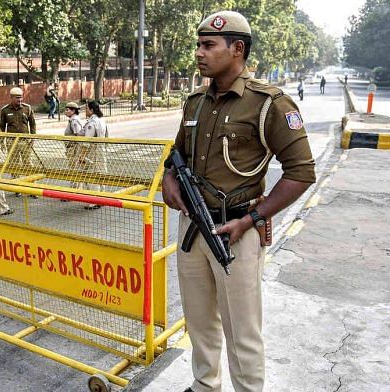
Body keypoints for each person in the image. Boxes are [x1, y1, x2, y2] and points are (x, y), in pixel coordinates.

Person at [161, 11, 315, 392]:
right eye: (199, 44)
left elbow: (301, 172)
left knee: (242, 330)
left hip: (237, 231)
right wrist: (167, 179)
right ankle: (205, 385)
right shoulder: (194, 101)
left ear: (237, 49)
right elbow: (175, 154)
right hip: (192, 230)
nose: (199, 53)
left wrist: (253, 219)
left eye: (208, 45)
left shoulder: (269, 104)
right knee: (199, 321)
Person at [0, 87, 37, 196]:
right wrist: (2, 141)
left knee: (28, 164)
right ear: (11, 98)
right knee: (14, 164)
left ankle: (32, 188)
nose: (19, 100)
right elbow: (2, 127)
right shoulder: (5, 110)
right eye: (17, 98)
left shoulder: (27, 108)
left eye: (21, 97)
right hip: (11, 141)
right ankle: (17, 187)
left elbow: (33, 124)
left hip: (25, 141)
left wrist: (32, 137)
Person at [79, 100, 108, 210]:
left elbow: (87, 142)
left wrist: (82, 155)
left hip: (93, 152)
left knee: (92, 175)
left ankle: (94, 201)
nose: (85, 110)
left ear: (91, 109)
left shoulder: (92, 123)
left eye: (86, 108)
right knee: (100, 174)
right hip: (101, 150)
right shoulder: (102, 121)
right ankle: (102, 198)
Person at [63, 101, 84, 193]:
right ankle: (75, 189)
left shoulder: (74, 121)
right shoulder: (72, 120)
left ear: (73, 111)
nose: (65, 111)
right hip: (71, 148)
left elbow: (78, 135)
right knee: (73, 168)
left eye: (67, 110)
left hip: (74, 148)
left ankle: (74, 190)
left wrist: (77, 150)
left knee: (73, 169)